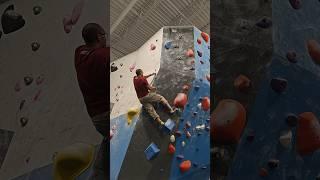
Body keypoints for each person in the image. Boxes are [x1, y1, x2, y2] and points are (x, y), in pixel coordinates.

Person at [74, 23, 108, 180]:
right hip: (107, 113)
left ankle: (97, 175)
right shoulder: (103, 55)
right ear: (99, 37)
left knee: (108, 140)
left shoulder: (79, 53)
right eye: (104, 35)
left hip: (95, 116)